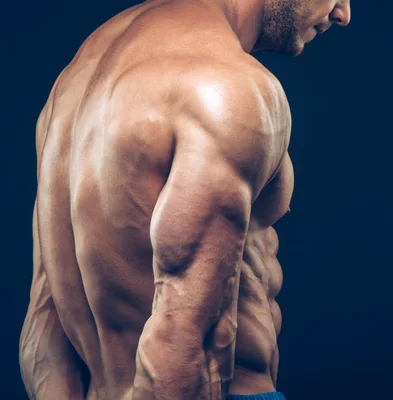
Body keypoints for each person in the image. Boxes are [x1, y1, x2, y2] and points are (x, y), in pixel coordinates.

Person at [19, 0, 350, 399]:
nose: (343, 13)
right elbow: (183, 342)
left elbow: (44, 321)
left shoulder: (76, 76)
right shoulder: (228, 87)